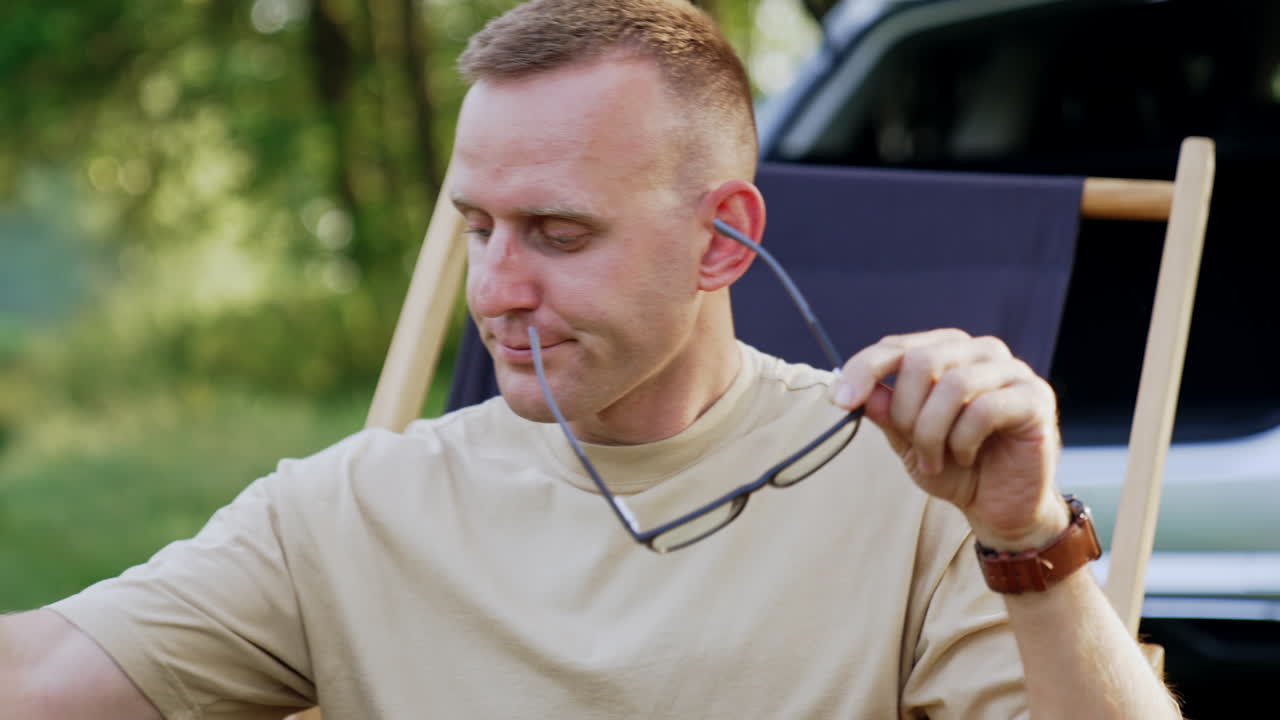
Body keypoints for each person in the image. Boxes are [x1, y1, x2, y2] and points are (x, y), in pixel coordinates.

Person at [2, 1, 1180, 718]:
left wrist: (1029, 544)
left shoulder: (909, 493)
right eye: (476, 228)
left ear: (725, 239)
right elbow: (40, 680)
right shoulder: (350, 508)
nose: (499, 290)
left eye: (559, 235)